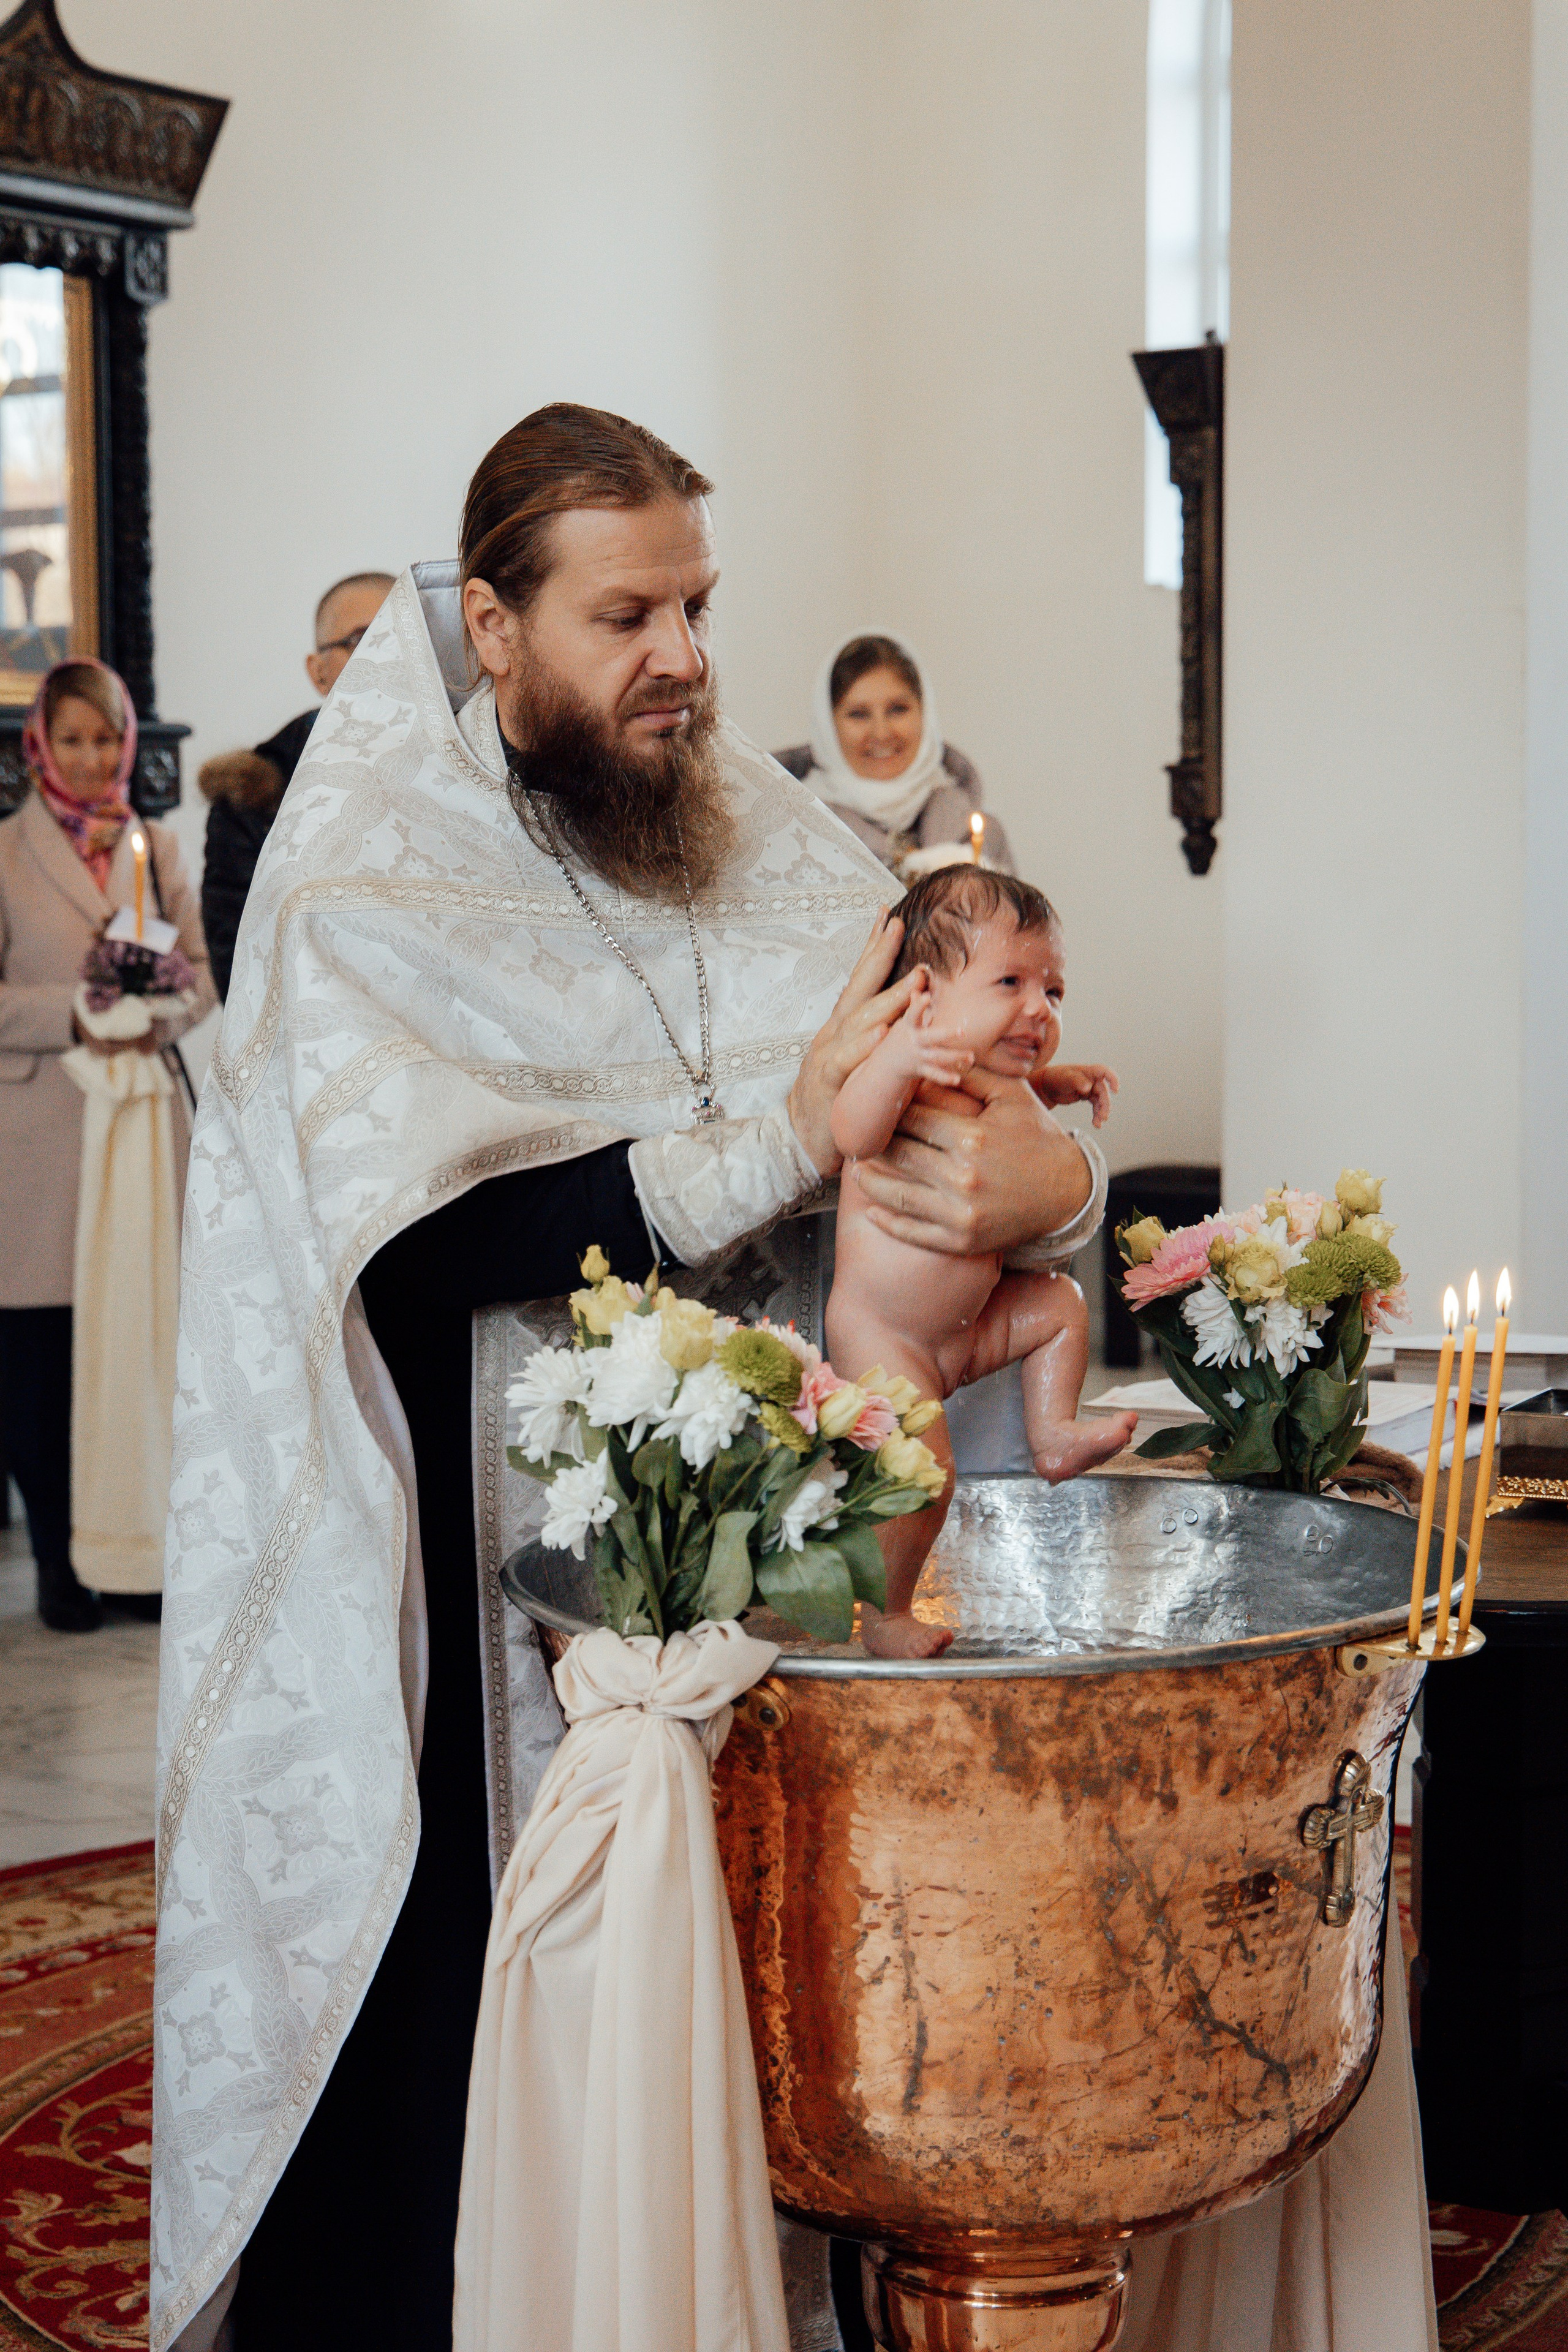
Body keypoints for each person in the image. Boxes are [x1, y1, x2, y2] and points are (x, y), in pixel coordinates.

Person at [150, 404, 1102, 2352]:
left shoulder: (761, 830)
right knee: (470, 2073)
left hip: (783, 1528)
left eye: (696, 605)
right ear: (492, 629)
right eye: (622, 614)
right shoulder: (360, 893)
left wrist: (1057, 1184)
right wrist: (764, 1143)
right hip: (503, 1561)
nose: (678, 656)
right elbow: (396, 1245)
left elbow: (942, 1095)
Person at [827, 868, 1136, 1659]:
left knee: (1063, 1305)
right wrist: (896, 1062)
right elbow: (852, 1134)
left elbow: (1018, 1102)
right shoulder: (909, 1071)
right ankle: (887, 1616)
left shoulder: (996, 1078)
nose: (1039, 1007)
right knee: (924, 1480)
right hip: (885, 1339)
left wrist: (1052, 1085)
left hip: (967, 1332)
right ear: (925, 996)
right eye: (1010, 982)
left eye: (1054, 992)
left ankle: (1054, 1433)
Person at [0, 661, 213, 1632]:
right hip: (41, 1137)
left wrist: (156, 1011)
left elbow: (202, 976)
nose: (90, 760)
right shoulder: (6, 853)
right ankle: (57, 1560)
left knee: (143, 1346)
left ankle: (138, 1558)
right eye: (72, 740)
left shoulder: (157, 845)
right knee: (45, 1361)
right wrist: (78, 1015)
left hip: (140, 1132)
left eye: (104, 741)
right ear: (43, 745)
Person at [197, 570, 393, 996]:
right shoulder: (254, 795)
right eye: (361, 639)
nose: (387, 653)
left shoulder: (473, 772)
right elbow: (239, 971)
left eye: (401, 633)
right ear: (318, 671)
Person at [775, 629, 1014, 874]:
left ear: (924, 714)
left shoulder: (982, 837)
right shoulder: (794, 836)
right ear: (828, 726)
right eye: (858, 714)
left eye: (898, 709)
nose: (881, 733)